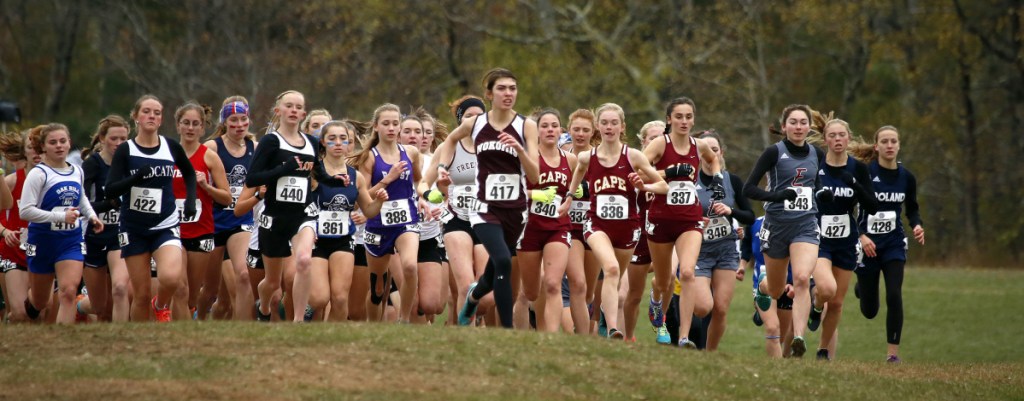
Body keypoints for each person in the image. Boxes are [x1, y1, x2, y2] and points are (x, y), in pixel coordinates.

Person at [431, 68, 540, 328]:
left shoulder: (526, 126)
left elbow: (534, 174)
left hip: (515, 209)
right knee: (503, 261)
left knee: (494, 268)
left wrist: (519, 150)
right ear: (489, 94)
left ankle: (474, 294)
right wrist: (442, 168)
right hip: (483, 208)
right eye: (502, 88)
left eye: (512, 88)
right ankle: (507, 329)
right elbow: (449, 142)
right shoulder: (476, 123)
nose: (508, 93)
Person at [565, 103, 668, 339]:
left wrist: (644, 186)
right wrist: (569, 197)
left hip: (628, 228)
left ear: (622, 127)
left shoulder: (633, 156)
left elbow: (663, 187)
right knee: (610, 269)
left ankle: (602, 314)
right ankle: (612, 327)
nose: (609, 127)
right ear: (597, 127)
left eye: (614, 123)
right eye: (604, 123)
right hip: (597, 225)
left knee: (616, 275)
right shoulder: (586, 157)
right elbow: (578, 172)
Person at [743, 104, 832, 356]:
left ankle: (799, 337)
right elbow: (748, 189)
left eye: (803, 122)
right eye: (793, 122)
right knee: (776, 289)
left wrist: (823, 193)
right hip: (776, 226)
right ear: (784, 127)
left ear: (809, 126)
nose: (798, 127)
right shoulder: (773, 153)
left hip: (805, 225)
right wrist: (778, 195)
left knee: (803, 278)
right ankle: (761, 287)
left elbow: (817, 184)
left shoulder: (816, 152)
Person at [106, 94, 197, 322]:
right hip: (134, 228)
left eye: (157, 113)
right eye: (146, 111)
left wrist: (190, 200)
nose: (152, 116)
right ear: (136, 116)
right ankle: (141, 340)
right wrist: (134, 178)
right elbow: (110, 190)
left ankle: (161, 304)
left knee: (171, 277)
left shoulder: (171, 147)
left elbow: (188, 173)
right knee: (142, 294)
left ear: (161, 119)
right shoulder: (126, 150)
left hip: (164, 223)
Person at [642, 97, 724, 348]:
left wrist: (717, 179)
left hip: (690, 219)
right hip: (660, 219)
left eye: (688, 117)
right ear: (669, 119)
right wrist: (668, 172)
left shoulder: (698, 146)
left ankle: (684, 337)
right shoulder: (659, 144)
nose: (684, 121)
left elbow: (712, 159)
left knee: (687, 272)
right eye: (679, 116)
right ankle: (656, 302)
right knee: (663, 280)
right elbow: (636, 168)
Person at [244, 90, 322, 322]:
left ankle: (298, 321)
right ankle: (264, 306)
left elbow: (320, 174)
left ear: (304, 114)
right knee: (272, 282)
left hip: (302, 215)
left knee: (304, 261)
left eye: (299, 107)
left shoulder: (312, 143)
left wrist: (336, 180)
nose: (294, 111)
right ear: (279, 111)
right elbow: (252, 179)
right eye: (289, 106)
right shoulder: (271, 141)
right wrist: (283, 170)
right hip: (274, 217)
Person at [348, 104, 430, 323]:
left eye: (395, 123)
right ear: (376, 127)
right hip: (378, 224)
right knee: (378, 289)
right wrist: (387, 179)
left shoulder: (411, 153)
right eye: (386, 123)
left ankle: (403, 320)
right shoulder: (370, 158)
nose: (391, 128)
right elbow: (363, 195)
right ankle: (374, 327)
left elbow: (418, 180)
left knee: (410, 266)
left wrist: (424, 196)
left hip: (407, 221)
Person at [851, 125, 924, 363]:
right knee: (869, 311)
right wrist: (861, 235)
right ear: (877, 146)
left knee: (894, 295)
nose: (890, 145)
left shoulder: (906, 178)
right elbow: (849, 209)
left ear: (899, 145)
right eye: (885, 141)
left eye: (894, 141)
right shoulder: (865, 173)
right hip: (868, 246)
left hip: (893, 243)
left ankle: (892, 355)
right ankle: (861, 288)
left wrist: (916, 225)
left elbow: (912, 208)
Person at [806, 119, 878, 360]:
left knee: (836, 303)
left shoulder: (857, 169)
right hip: (819, 239)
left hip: (846, 241)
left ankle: (823, 350)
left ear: (848, 139)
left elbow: (873, 206)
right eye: (832, 136)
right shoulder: (816, 167)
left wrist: (856, 185)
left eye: (841, 136)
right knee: (827, 288)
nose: (837, 140)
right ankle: (816, 306)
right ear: (825, 139)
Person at [20, 123, 104, 324]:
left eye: (63, 141)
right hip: (43, 240)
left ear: (69, 144)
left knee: (68, 291)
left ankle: (64, 338)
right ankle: (31, 306)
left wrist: (92, 216)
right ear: (44, 147)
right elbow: (25, 211)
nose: (59, 146)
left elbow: (81, 197)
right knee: (41, 301)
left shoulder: (77, 170)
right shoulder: (38, 174)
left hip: (70, 239)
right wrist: (60, 217)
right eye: (53, 142)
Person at [308, 121, 387, 321]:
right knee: (318, 299)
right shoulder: (314, 173)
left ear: (349, 143)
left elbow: (368, 210)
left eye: (343, 139)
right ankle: (308, 319)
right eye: (332, 139)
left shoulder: (356, 177)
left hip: (343, 240)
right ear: (323, 142)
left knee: (340, 298)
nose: (338, 143)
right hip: (316, 241)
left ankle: (333, 340)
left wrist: (379, 201)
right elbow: (300, 204)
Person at [426, 95, 489, 326]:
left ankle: (476, 319)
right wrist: (431, 196)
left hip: (486, 220)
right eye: (469, 117)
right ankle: (467, 336)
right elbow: (424, 183)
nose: (474, 121)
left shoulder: (492, 148)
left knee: (486, 296)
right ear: (460, 121)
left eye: (479, 117)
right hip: (456, 220)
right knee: (465, 284)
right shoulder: (448, 147)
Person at [691, 130, 754, 350]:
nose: (710, 155)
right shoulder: (690, 181)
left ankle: (710, 354)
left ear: (721, 152)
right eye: (704, 151)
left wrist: (730, 211)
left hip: (726, 250)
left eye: (714, 150)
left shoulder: (732, 181)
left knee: (721, 309)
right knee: (702, 307)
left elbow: (750, 216)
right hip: (698, 250)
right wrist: (696, 221)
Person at [515, 109, 576, 332]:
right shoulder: (527, 158)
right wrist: (536, 195)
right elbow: (513, 191)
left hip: (557, 227)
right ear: (536, 131)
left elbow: (577, 189)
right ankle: (530, 325)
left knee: (552, 284)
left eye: (554, 125)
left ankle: (551, 338)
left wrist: (571, 196)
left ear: (561, 130)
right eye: (545, 126)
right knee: (531, 291)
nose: (550, 130)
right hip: (528, 228)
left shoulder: (570, 159)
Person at [172, 102, 233, 321]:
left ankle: (186, 322)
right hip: (171, 233)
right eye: (185, 123)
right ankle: (181, 335)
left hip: (201, 231)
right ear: (178, 126)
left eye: (195, 124)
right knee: (178, 288)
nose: (190, 128)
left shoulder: (209, 157)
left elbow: (227, 198)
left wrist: (206, 187)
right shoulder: (166, 154)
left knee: (190, 296)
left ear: (202, 128)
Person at [204, 96, 257, 321]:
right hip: (214, 223)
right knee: (213, 293)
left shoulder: (256, 147)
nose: (239, 125)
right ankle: (198, 324)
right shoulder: (212, 147)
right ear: (224, 122)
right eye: (233, 120)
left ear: (249, 120)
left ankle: (244, 333)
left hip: (241, 221)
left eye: (243, 119)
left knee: (243, 277)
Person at [81, 115, 131, 322]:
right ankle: (79, 303)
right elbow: (81, 204)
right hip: (94, 235)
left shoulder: (130, 163)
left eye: (123, 139)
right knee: (100, 307)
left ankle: (121, 337)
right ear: (102, 139)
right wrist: (110, 204)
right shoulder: (92, 165)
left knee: (120, 289)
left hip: (119, 235)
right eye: (114, 139)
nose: (119, 144)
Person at [562, 109, 600, 334]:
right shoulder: (562, 157)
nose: (580, 134)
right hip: (569, 229)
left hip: (594, 228)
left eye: (585, 130)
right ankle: (583, 336)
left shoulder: (598, 157)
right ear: (569, 130)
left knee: (588, 292)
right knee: (577, 283)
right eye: (576, 129)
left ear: (592, 132)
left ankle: (586, 327)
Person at [0, 131, 33, 323]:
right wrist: (5, 232)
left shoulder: (57, 180)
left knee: (41, 311)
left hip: (46, 250)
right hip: (13, 250)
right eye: (31, 148)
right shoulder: (12, 181)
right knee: (20, 312)